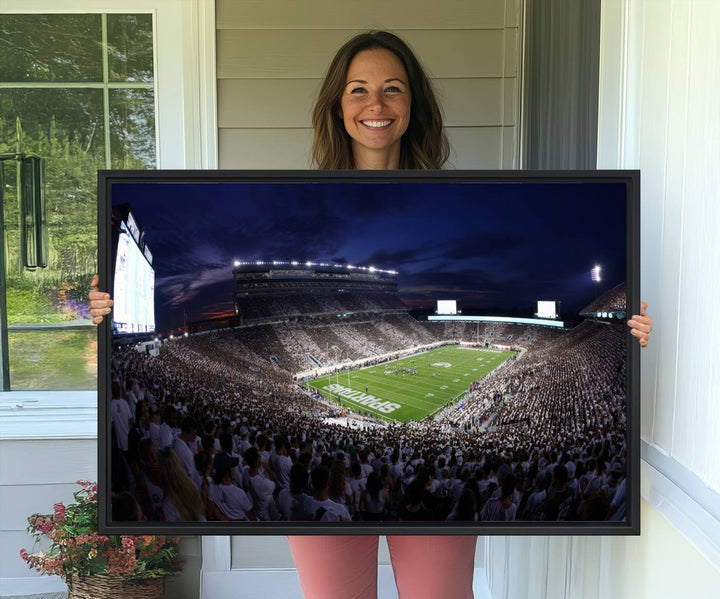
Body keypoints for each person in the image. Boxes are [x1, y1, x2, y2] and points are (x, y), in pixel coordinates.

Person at [89, 29, 653, 599]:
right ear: (337, 105)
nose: (375, 105)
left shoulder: (446, 198)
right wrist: (108, 306)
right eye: (358, 89)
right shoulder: (302, 198)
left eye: (393, 89)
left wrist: (625, 330)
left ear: (413, 105)